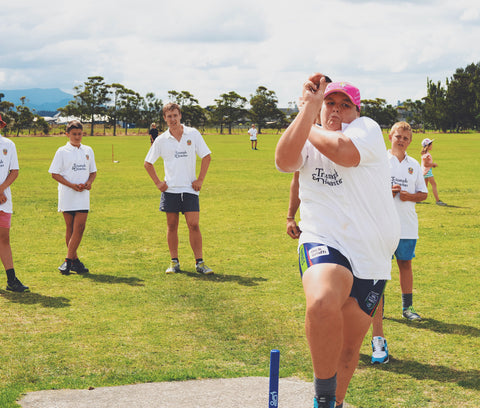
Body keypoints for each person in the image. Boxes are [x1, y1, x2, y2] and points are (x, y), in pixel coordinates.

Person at [275, 74, 400, 408]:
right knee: (321, 301)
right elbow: (284, 162)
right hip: (325, 239)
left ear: (356, 112)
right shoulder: (307, 132)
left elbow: (344, 153)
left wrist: (310, 116)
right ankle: (324, 396)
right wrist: (307, 113)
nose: (336, 110)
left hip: (372, 256)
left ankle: (333, 403)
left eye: (345, 105)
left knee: (347, 352)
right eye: (330, 102)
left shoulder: (366, 130)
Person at [370, 122, 428, 365]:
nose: (401, 140)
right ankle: (378, 313)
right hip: (383, 225)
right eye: (398, 136)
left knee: (405, 265)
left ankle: (407, 308)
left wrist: (407, 196)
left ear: (410, 141)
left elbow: (423, 195)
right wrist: (386, 191)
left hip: (407, 226)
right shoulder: (379, 161)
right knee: (380, 271)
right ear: (389, 136)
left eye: (406, 137)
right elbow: (368, 190)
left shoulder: (414, 165)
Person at [144, 103, 213, 275]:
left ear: (180, 115)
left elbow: (207, 156)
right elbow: (148, 163)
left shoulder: (193, 134)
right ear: (164, 119)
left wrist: (200, 179)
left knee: (194, 225)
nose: (173, 119)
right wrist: (158, 183)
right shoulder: (161, 140)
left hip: (190, 189)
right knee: (172, 225)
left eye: (175, 115)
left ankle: (200, 262)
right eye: (169, 116)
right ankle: (174, 262)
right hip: (171, 191)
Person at [48, 120, 97, 275]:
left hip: (82, 195)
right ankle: (75, 261)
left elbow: (93, 172)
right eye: (74, 134)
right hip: (67, 194)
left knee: (80, 228)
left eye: (80, 134)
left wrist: (89, 182)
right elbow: (54, 173)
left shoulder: (88, 150)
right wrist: (71, 185)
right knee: (70, 228)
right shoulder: (61, 151)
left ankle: (67, 261)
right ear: (67, 134)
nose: (77, 137)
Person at [0, 115, 29, 292]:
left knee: (4, 239)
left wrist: (1, 189)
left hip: (3, 200)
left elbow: (14, 170)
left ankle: (12, 279)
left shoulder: (8, 145)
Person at [421, 138, 446, 206]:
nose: (432, 146)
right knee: (434, 185)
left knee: (424, 186)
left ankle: (418, 199)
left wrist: (432, 165)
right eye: (431, 144)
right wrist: (433, 164)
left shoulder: (426, 154)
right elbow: (425, 164)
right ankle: (437, 200)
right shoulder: (427, 155)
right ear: (427, 146)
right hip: (427, 172)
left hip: (425, 172)